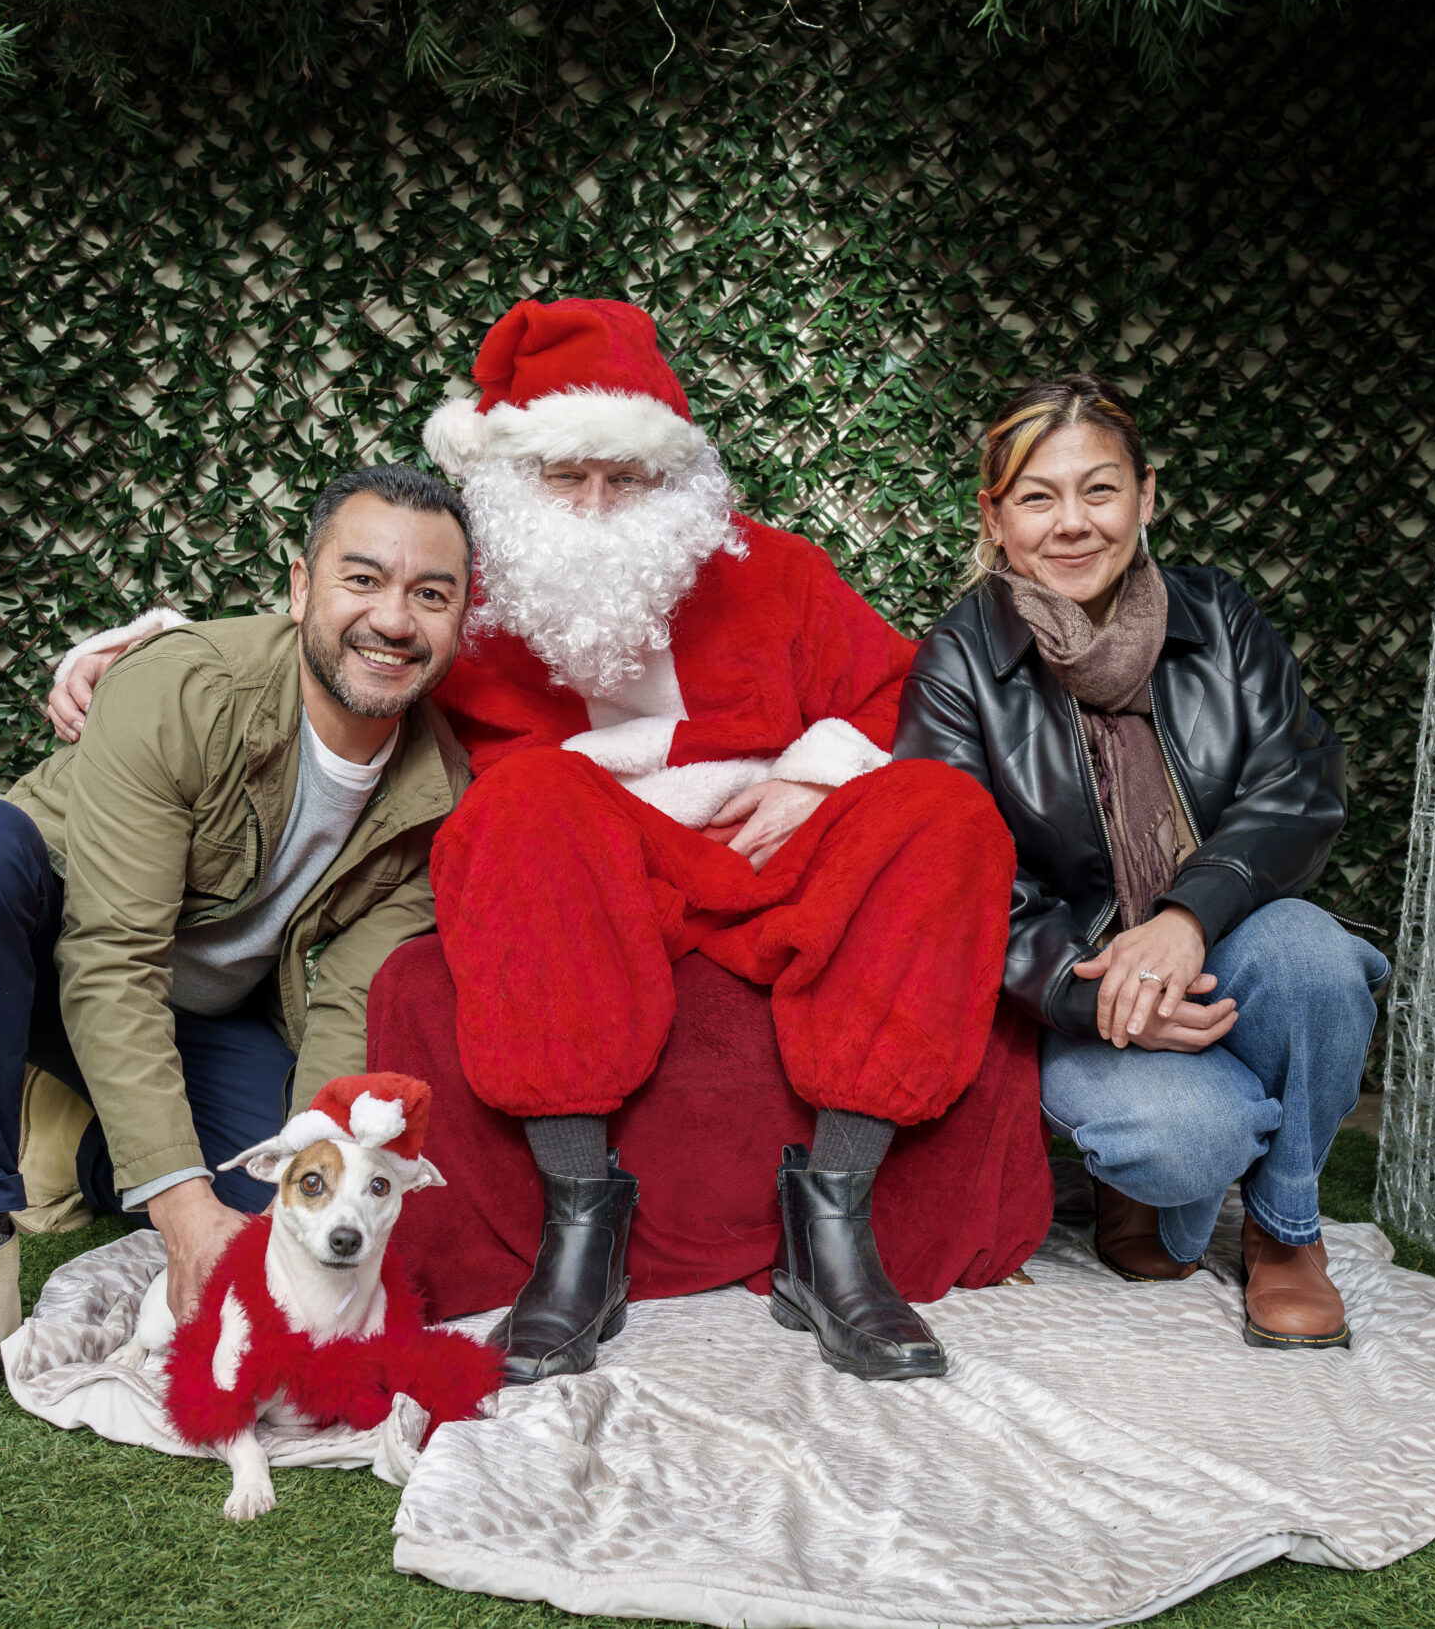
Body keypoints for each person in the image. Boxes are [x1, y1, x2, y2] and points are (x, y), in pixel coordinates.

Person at [56, 297, 1021, 1384]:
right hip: (591, 885)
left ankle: (834, 1230)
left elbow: (900, 690)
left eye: (628, 477)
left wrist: (814, 773)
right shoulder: (458, 604)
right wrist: (149, 650)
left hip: (773, 864)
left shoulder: (776, 571)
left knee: (945, 811)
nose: (598, 506)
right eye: (567, 476)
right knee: (521, 800)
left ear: (676, 479)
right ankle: (580, 1231)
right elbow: (340, 641)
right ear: (512, 482)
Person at [0, 466, 473, 1444]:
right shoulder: (185, 688)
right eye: (362, 579)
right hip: (47, 959)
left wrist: (311, 1181)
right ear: (299, 587)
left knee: (268, 1205)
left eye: (430, 594)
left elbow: (350, 1001)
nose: (393, 619)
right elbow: (109, 957)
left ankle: (83, 1142)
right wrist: (179, 1212)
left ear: (461, 619)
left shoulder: (438, 792)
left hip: (210, 1017)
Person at [894, 375, 1387, 1350]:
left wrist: (1186, 917)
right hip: (1076, 984)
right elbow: (953, 879)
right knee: (1186, 1141)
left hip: (1224, 943)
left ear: (1146, 495)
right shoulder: (958, 665)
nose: (1073, 523)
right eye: (1038, 497)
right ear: (994, 517)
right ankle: (1156, 1169)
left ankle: (1285, 1229)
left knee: (1315, 958)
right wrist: (1105, 994)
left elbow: (1297, 784)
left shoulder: (1220, 618)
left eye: (1100, 489)